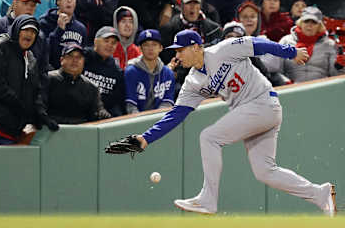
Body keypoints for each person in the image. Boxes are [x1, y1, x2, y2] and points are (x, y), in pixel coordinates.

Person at [131, 29, 337, 217]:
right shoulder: (192, 82)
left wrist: (290, 52)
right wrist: (146, 138)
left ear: (196, 47)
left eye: (181, 50)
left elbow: (258, 44)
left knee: (209, 137)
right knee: (265, 171)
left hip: (262, 102)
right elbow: (176, 114)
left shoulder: (223, 50)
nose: (177, 55)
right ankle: (320, 194)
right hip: (253, 112)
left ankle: (208, 200)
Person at [0, 15, 59, 145]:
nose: (29, 34)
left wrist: (41, 115)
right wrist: (21, 106)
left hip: (10, 128)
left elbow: (34, 91)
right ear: (16, 29)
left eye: (33, 32)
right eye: (25, 30)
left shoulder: (30, 58)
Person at [266, 6, 345, 82]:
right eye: (306, 21)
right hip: (290, 89)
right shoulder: (285, 41)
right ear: (300, 22)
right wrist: (285, 83)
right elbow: (276, 70)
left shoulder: (329, 45)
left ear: (319, 26)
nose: (309, 25)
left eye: (314, 22)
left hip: (321, 90)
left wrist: (340, 66)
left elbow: (335, 76)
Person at [47, 43, 111, 124]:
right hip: (51, 130)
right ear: (61, 60)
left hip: (82, 131)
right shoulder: (48, 79)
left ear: (83, 61)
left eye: (79, 57)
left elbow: (97, 110)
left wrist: (101, 113)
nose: (75, 60)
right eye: (70, 56)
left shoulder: (92, 87)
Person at [160, 0, 221, 66]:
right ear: (181, 5)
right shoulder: (169, 28)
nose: (192, 7)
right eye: (188, 3)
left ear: (201, 5)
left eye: (196, 3)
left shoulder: (214, 29)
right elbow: (165, 56)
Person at [124, 29, 175, 114]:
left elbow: (167, 103)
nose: (150, 49)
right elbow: (130, 105)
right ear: (140, 48)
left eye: (154, 45)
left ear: (160, 48)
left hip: (160, 119)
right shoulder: (131, 71)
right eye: (146, 45)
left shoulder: (168, 73)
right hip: (135, 121)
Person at [39, 0, 87, 69]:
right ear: (58, 2)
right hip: (51, 72)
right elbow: (43, 51)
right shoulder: (45, 22)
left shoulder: (81, 28)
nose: (69, 1)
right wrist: (59, 30)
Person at [83, 26, 125, 117]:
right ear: (95, 41)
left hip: (103, 117)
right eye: (106, 41)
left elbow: (116, 102)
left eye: (113, 43)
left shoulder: (116, 71)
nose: (110, 45)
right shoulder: (82, 58)